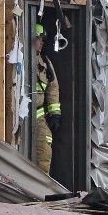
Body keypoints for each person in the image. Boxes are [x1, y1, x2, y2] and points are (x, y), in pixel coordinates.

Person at [33, 23, 61, 174]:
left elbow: (53, 89)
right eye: (40, 39)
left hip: (38, 116)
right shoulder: (20, 57)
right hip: (19, 116)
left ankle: (41, 183)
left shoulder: (45, 63)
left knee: (44, 148)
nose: (42, 43)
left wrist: (55, 114)